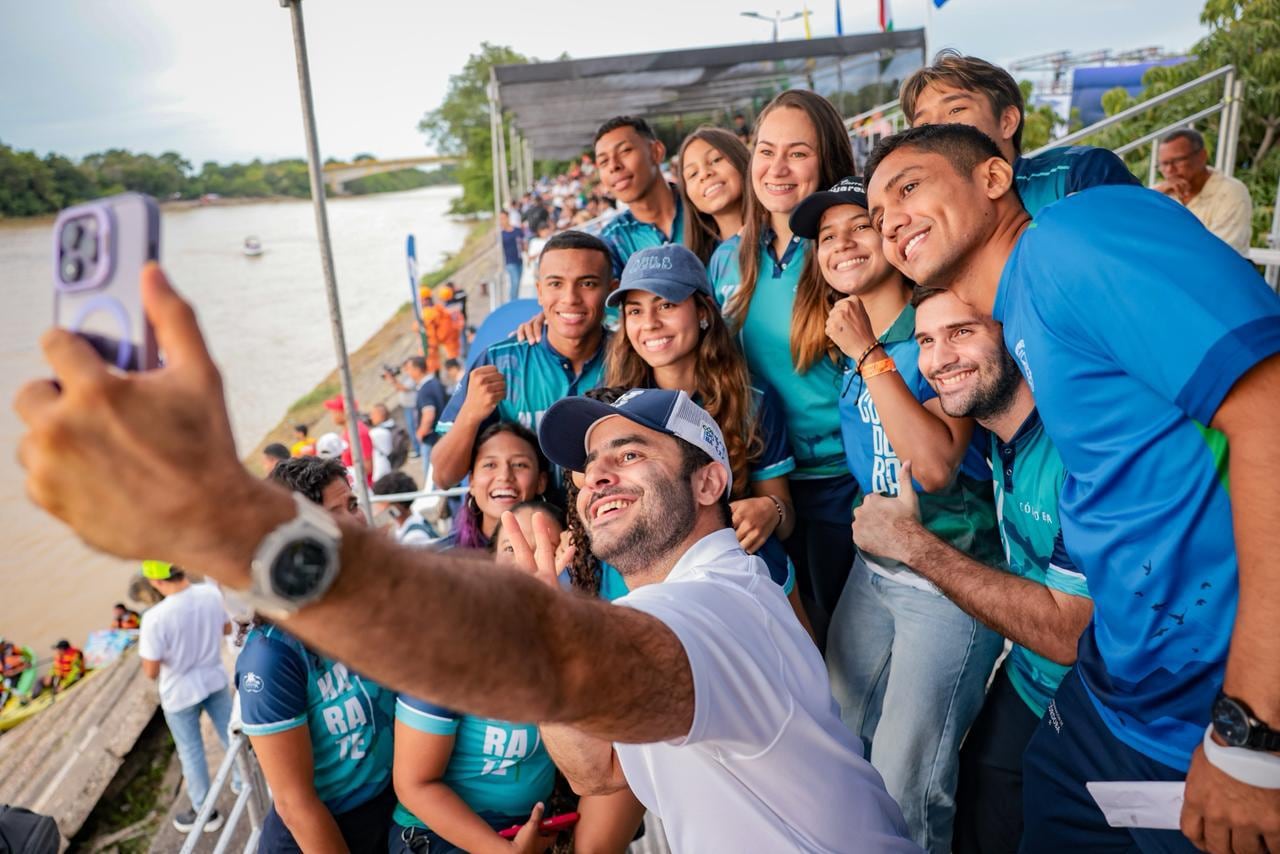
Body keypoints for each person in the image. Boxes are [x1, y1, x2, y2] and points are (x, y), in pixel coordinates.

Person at [14, 268, 921, 851]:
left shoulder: (723, 601)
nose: (597, 475)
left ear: (714, 479)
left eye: (632, 453)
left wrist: (231, 525)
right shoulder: (664, 601)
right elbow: (599, 770)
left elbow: (557, 660)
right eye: (589, 462)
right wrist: (554, 594)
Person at [865, 122, 1280, 852]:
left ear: (995, 178)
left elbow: (1271, 413)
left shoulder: (1072, 238)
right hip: (1116, 694)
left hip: (1208, 714)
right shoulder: (1023, 312)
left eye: (909, 188)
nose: (890, 219)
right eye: (877, 214)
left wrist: (1251, 734)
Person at [789, 176, 1004, 852]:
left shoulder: (933, 325)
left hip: (947, 581)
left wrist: (869, 353)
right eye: (827, 237)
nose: (842, 243)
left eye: (860, 225)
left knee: (908, 783)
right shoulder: (855, 343)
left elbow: (936, 465)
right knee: (837, 738)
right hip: (875, 570)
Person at [852, 286, 1093, 854]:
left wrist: (912, 543)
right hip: (1029, 680)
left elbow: (1068, 636)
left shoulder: (1073, 452)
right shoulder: (993, 431)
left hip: (1101, 699)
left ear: (1013, 336)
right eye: (925, 341)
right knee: (976, 804)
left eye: (961, 332)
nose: (939, 359)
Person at [708, 89, 858, 642]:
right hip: (760, 481)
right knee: (786, 645)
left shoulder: (845, 251)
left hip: (843, 484)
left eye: (798, 153)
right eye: (766, 151)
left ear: (828, 161)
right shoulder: (728, 258)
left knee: (845, 648)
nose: (777, 168)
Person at [605, 244, 810, 632]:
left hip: (735, 571)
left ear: (702, 313)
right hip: (644, 578)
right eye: (635, 310)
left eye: (666, 304)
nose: (649, 323)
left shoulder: (753, 399)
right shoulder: (612, 409)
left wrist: (771, 510)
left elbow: (784, 514)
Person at [239, 456, 396, 853]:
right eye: (332, 514)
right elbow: (295, 804)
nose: (355, 521)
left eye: (353, 505)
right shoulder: (272, 655)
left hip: (390, 814)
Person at [432, 231, 615, 489]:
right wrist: (470, 414)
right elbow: (443, 478)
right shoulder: (499, 362)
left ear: (611, 290)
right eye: (555, 284)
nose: (570, 298)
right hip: (529, 514)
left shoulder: (632, 358)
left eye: (587, 284)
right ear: (539, 291)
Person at [900, 49, 1139, 217]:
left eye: (955, 109)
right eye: (923, 125)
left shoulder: (1076, 174)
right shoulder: (924, 220)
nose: (937, 129)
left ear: (1007, 121)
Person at [137, 559, 233, 833]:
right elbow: (227, 629)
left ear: (156, 582)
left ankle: (205, 812)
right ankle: (243, 781)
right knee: (231, 736)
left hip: (179, 693)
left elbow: (151, 671)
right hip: (213, 678)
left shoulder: (154, 618)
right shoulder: (211, 593)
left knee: (191, 752)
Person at [437, 422, 549, 551]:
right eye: (490, 465)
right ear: (471, 482)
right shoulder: (442, 556)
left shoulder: (562, 552)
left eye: (519, 465)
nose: (504, 476)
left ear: (541, 482)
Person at [594, 116, 685, 275]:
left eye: (625, 151)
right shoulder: (612, 241)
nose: (613, 166)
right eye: (603, 161)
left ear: (656, 152)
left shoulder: (702, 206)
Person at [1156, 128, 1254, 254]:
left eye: (1178, 161)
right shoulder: (1161, 191)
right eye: (1164, 164)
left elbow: (1220, 251)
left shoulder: (1230, 191)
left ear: (1202, 156)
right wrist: (1156, 195)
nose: (1170, 170)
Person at [677, 126, 749, 265]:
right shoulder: (698, 266)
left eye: (716, 160)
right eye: (693, 174)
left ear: (741, 160)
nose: (704, 174)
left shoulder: (783, 234)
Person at [372, 471, 437, 546]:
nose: (377, 510)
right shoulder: (409, 521)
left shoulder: (414, 536)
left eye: (381, 504)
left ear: (397, 505)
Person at [323, 394, 374, 486]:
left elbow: (367, 467)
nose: (332, 415)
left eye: (334, 412)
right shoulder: (349, 431)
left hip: (363, 486)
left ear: (344, 412)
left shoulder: (358, 432)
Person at [0, 638, 37, 706]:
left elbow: (22, 654)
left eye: (2, 643)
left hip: (18, 669)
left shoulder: (10, 647)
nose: (3, 645)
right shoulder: (1, 658)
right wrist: (22, 668)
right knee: (8, 687)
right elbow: (7, 673)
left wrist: (25, 662)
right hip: (12, 675)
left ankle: (25, 699)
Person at [500, 209, 526, 302]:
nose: (502, 220)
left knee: (518, 283)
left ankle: (515, 300)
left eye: (503, 218)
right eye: (500, 219)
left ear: (508, 217)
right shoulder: (501, 234)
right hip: (510, 262)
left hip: (519, 260)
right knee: (515, 282)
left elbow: (523, 243)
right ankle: (513, 302)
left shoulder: (517, 230)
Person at [367, 403, 395, 483]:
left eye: (373, 414)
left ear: (381, 415)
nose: (371, 417)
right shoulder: (391, 426)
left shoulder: (377, 433)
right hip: (389, 466)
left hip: (381, 470)